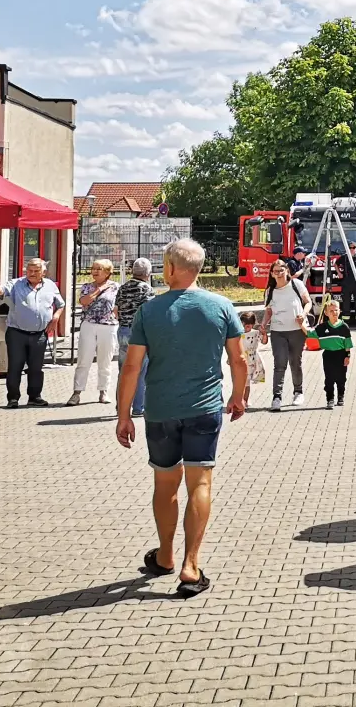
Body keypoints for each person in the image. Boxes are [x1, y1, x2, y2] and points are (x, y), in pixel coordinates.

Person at [116, 238, 246, 598]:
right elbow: (239, 359)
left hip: (160, 410)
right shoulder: (221, 306)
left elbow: (131, 366)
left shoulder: (149, 311)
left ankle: (165, 555)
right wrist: (238, 396)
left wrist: (123, 414)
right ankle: (192, 564)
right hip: (204, 408)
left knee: (165, 484)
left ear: (171, 268)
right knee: (200, 484)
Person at [0, 259, 66, 409]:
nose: (32, 273)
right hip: (17, 333)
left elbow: (61, 304)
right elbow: (2, 291)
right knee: (15, 366)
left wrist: (55, 317)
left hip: (39, 334)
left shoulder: (50, 285)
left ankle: (35, 397)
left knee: (36, 368)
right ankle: (13, 399)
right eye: (29, 270)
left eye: (36, 271)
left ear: (44, 272)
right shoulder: (16, 284)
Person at [261, 260, 310, 411]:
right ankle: (277, 397)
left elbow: (307, 302)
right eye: (276, 271)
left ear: (287, 271)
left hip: (296, 330)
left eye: (281, 270)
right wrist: (263, 325)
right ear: (272, 274)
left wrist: (303, 313)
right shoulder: (270, 291)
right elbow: (268, 311)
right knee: (279, 364)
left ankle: (298, 392)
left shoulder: (296, 285)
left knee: (295, 362)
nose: (279, 273)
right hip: (278, 332)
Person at [70, 259, 119, 407]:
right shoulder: (87, 287)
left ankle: (103, 391)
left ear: (108, 272)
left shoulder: (116, 287)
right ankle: (77, 392)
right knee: (84, 359)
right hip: (89, 324)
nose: (95, 271)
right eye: (94, 268)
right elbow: (84, 302)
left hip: (108, 326)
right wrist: (98, 290)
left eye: (99, 269)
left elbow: (119, 305)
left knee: (105, 360)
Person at [116, 259, 156, 418]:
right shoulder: (147, 289)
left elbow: (117, 309)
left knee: (123, 370)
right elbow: (150, 313)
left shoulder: (123, 287)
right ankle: (138, 407)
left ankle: (121, 405)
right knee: (140, 371)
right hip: (139, 333)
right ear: (148, 273)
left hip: (123, 330)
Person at [309, 300, 353, 408]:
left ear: (340, 311)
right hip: (328, 355)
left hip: (341, 355)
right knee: (329, 378)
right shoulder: (322, 328)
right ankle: (330, 399)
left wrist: (347, 356)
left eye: (336, 310)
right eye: (331, 311)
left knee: (341, 378)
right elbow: (310, 333)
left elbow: (347, 343)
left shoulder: (344, 327)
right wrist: (301, 325)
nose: (334, 313)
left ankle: (341, 397)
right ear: (326, 313)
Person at [240, 312, 266, 389]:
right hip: (242, 359)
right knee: (241, 381)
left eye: (250, 323)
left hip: (252, 359)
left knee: (247, 383)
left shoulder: (255, 333)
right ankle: (241, 399)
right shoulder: (238, 334)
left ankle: (246, 400)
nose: (248, 325)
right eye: (245, 323)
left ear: (253, 323)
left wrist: (264, 334)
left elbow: (264, 342)